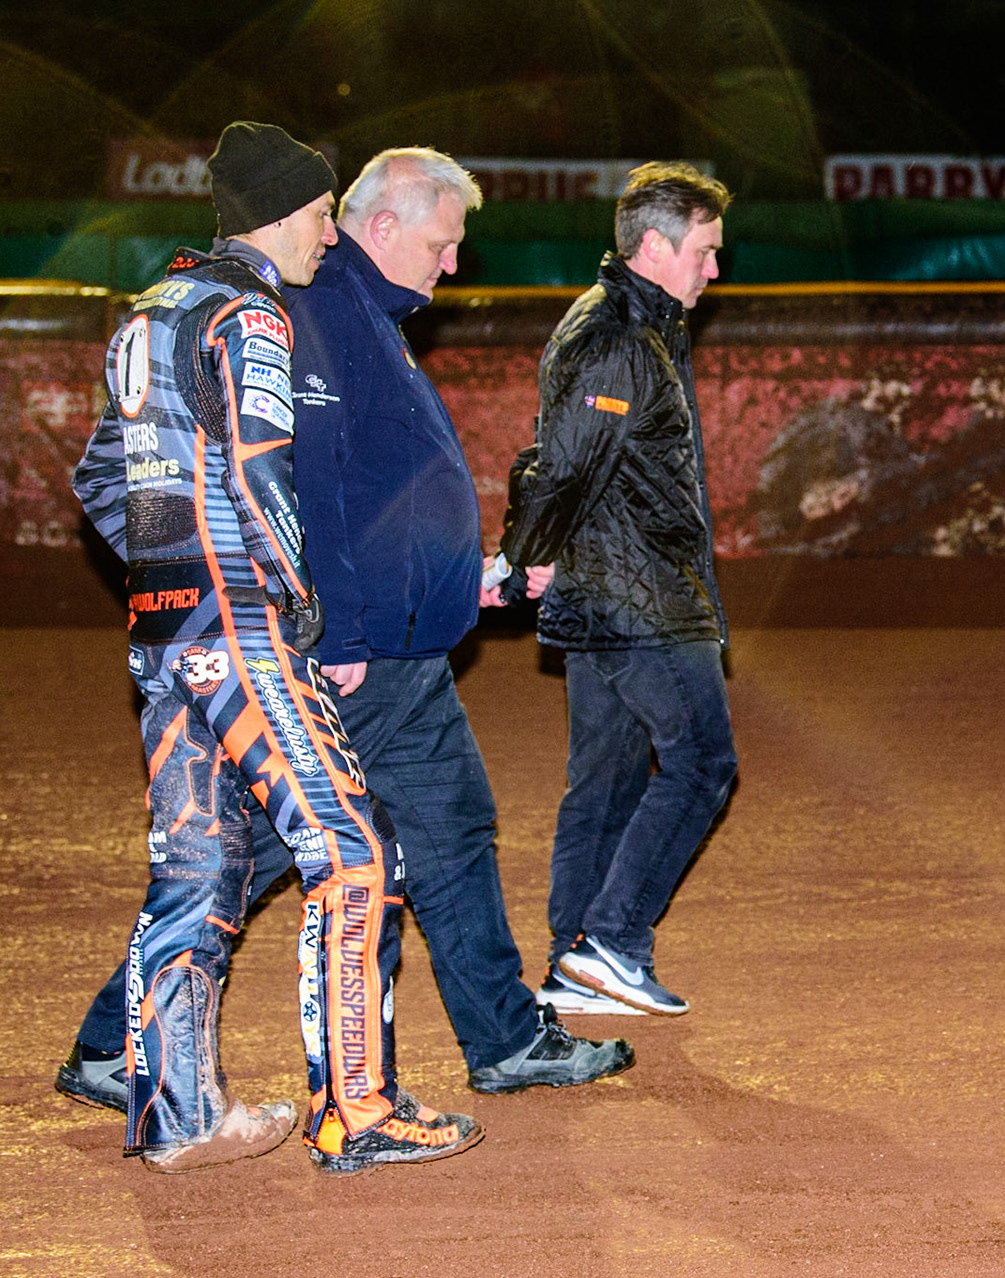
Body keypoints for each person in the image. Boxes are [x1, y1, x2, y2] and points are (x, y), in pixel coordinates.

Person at [57, 148, 633, 1114]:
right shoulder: (310, 313)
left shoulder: (358, 316)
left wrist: (468, 583)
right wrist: (321, 628)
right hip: (347, 655)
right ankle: (125, 1046)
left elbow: (382, 499)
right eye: (444, 244)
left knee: (447, 829)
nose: (453, 265)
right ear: (382, 224)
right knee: (260, 850)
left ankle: (503, 1036)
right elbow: (302, 492)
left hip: (396, 651)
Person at [69, 121, 481, 1173]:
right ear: (285, 213)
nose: (327, 237)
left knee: (198, 870)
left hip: (164, 639)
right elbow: (263, 477)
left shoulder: (148, 312)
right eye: (318, 215)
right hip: (243, 627)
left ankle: (176, 1114)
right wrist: (289, 605)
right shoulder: (253, 314)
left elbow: (98, 484)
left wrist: (169, 577)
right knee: (354, 853)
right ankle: (358, 1109)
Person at [497, 162, 738, 1017]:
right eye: (705, 252)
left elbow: (566, 464)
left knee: (604, 781)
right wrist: (520, 555)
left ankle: (576, 962)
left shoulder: (633, 328)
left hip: (607, 590)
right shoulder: (618, 339)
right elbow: (560, 466)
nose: (715, 269)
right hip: (639, 600)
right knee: (704, 764)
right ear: (655, 245)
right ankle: (610, 942)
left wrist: (535, 553)